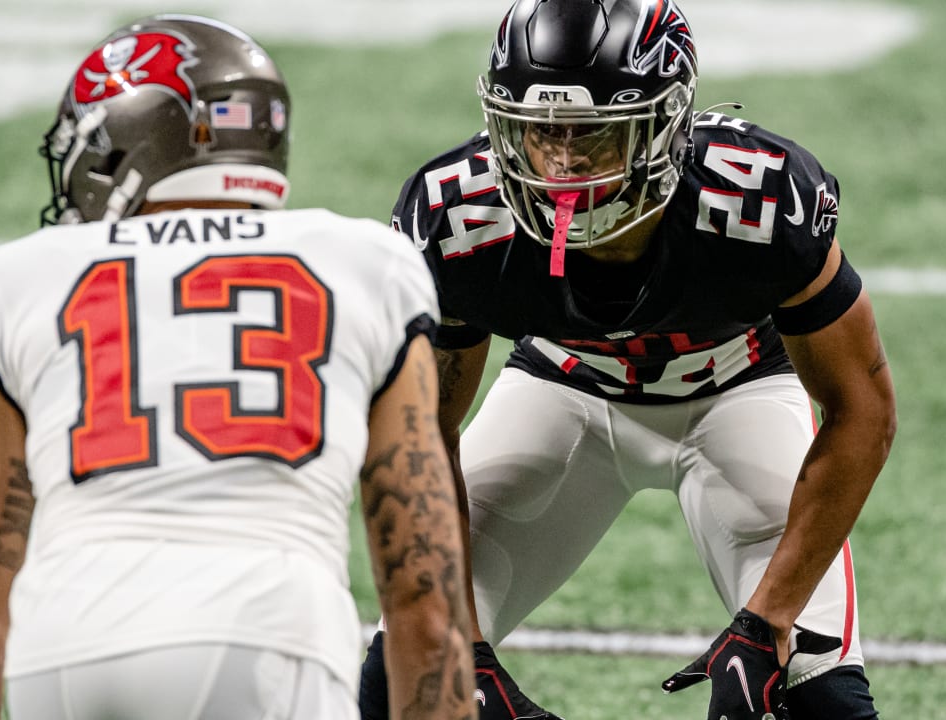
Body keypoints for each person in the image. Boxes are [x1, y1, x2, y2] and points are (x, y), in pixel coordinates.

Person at [0, 14, 475, 720]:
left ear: (125, 141)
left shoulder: (20, 278)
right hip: (271, 629)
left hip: (67, 638)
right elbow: (424, 606)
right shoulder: (366, 265)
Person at [358, 0, 898, 718]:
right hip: (562, 389)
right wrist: (455, 640)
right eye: (540, 130)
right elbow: (417, 439)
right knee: (407, 669)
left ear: (668, 123)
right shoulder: (459, 218)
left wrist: (768, 623)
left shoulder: (759, 199)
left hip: (739, 389)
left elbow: (863, 409)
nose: (562, 161)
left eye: (594, 134)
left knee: (816, 698)